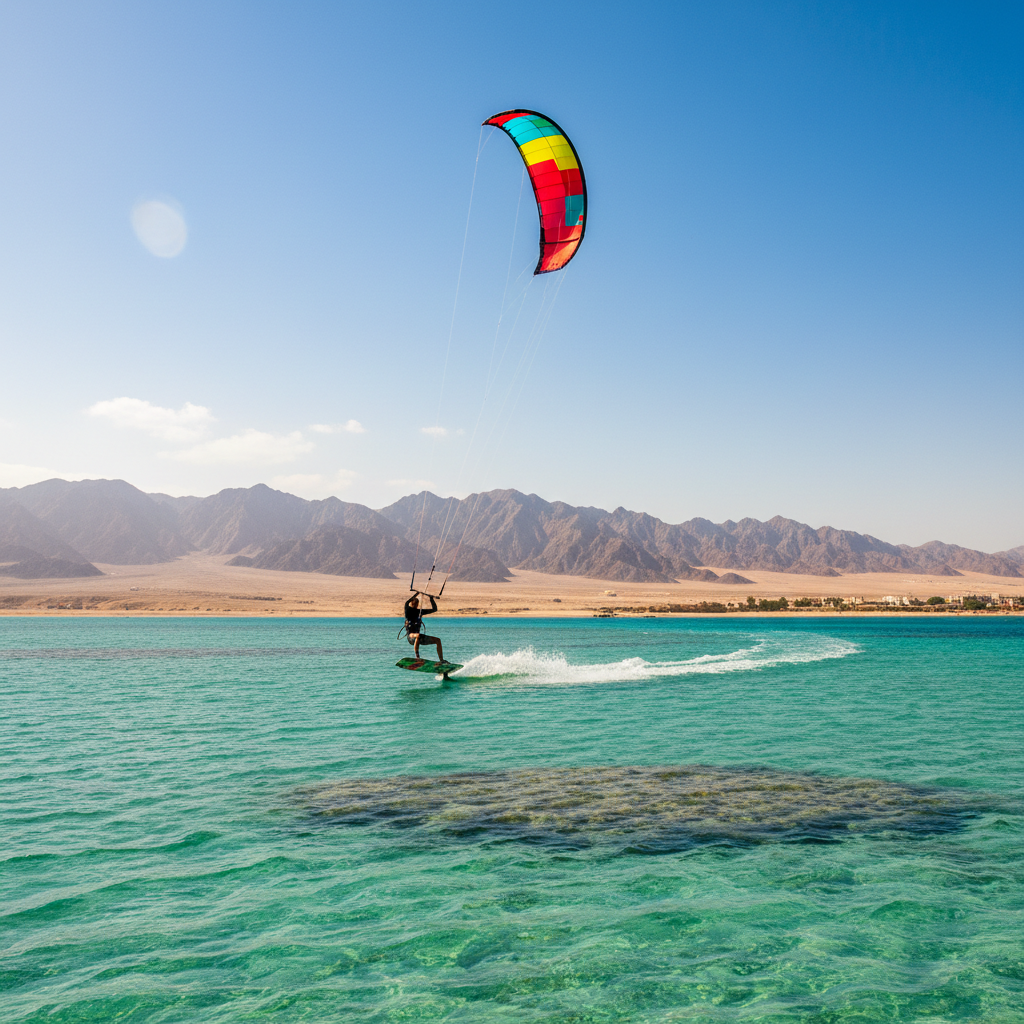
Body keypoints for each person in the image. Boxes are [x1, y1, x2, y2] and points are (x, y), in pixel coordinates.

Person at [403, 592, 444, 663]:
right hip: (411, 637)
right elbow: (406, 603)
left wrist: (431, 599)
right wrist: (417, 593)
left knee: (438, 640)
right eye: (414, 603)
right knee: (417, 636)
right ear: (411, 603)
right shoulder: (408, 610)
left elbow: (434, 609)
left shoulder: (419, 612)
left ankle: (441, 660)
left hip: (420, 639)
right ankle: (417, 658)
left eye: (416, 603)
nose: (415, 605)